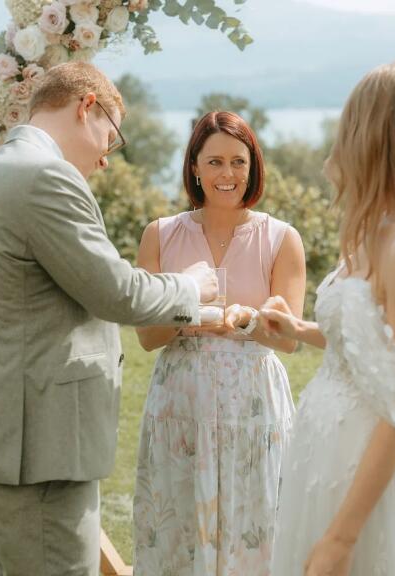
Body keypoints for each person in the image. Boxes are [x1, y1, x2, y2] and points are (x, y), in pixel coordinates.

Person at [0, 61, 218, 576]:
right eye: (111, 138)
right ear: (87, 107)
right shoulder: (45, 176)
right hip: (38, 438)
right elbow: (115, 292)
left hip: (12, 430)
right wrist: (191, 286)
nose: (107, 158)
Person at [261, 59, 395, 576]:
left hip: (368, 477)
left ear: (374, 134)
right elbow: (371, 353)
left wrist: (342, 537)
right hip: (323, 454)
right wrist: (299, 331)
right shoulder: (376, 230)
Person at [132, 111, 307, 575]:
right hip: (180, 403)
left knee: (255, 524)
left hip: (251, 406)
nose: (226, 174)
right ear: (194, 166)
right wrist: (192, 313)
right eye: (214, 162)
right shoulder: (161, 235)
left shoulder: (282, 238)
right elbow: (147, 335)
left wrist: (249, 321)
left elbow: (290, 341)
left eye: (238, 162)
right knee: (178, 526)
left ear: (253, 167)